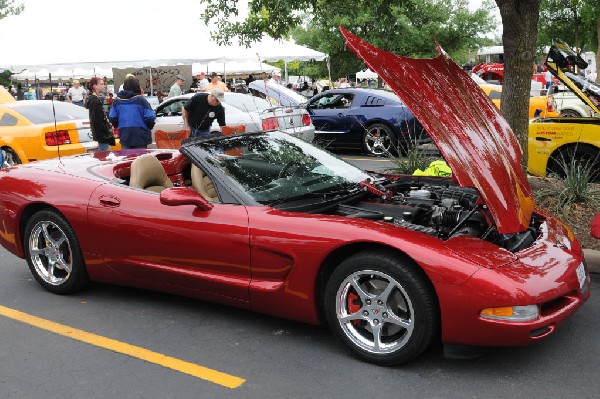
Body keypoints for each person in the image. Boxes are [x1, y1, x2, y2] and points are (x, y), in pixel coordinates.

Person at [109, 76, 156, 149]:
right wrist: (148, 127)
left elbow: (112, 117)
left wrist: (119, 126)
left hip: (124, 135)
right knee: (140, 159)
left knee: (128, 158)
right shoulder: (141, 100)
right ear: (137, 86)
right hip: (140, 135)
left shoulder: (117, 101)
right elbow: (150, 117)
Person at [85, 77, 115, 152]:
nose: (104, 86)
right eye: (101, 84)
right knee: (104, 155)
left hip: (101, 134)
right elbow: (96, 120)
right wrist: (106, 129)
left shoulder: (95, 100)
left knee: (104, 153)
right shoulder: (94, 101)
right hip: (102, 135)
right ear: (95, 86)